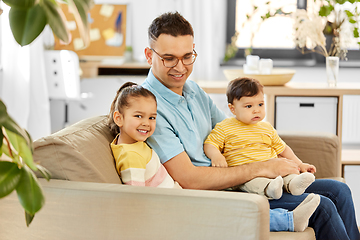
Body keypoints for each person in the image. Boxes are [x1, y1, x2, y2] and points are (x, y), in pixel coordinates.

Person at [142, 11, 360, 239]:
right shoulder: (147, 108)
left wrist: (272, 155)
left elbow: (234, 130)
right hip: (216, 195)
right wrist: (263, 167)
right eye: (169, 58)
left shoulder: (193, 90)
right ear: (149, 55)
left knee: (340, 191)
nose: (181, 67)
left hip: (243, 181)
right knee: (322, 207)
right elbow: (190, 179)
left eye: (188, 56)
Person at [204, 77, 316, 200]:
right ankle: (270, 189)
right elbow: (210, 144)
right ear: (233, 109)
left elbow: (283, 149)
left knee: (287, 175)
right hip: (247, 177)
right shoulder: (225, 127)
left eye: (260, 104)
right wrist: (216, 156)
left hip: (275, 172)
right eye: (248, 106)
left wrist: (300, 164)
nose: (256, 110)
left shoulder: (267, 127)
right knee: (255, 183)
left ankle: (293, 184)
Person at [108, 82, 181, 188]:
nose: (146, 123)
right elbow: (136, 196)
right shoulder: (131, 156)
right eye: (138, 116)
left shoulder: (135, 144)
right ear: (119, 119)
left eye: (152, 118)